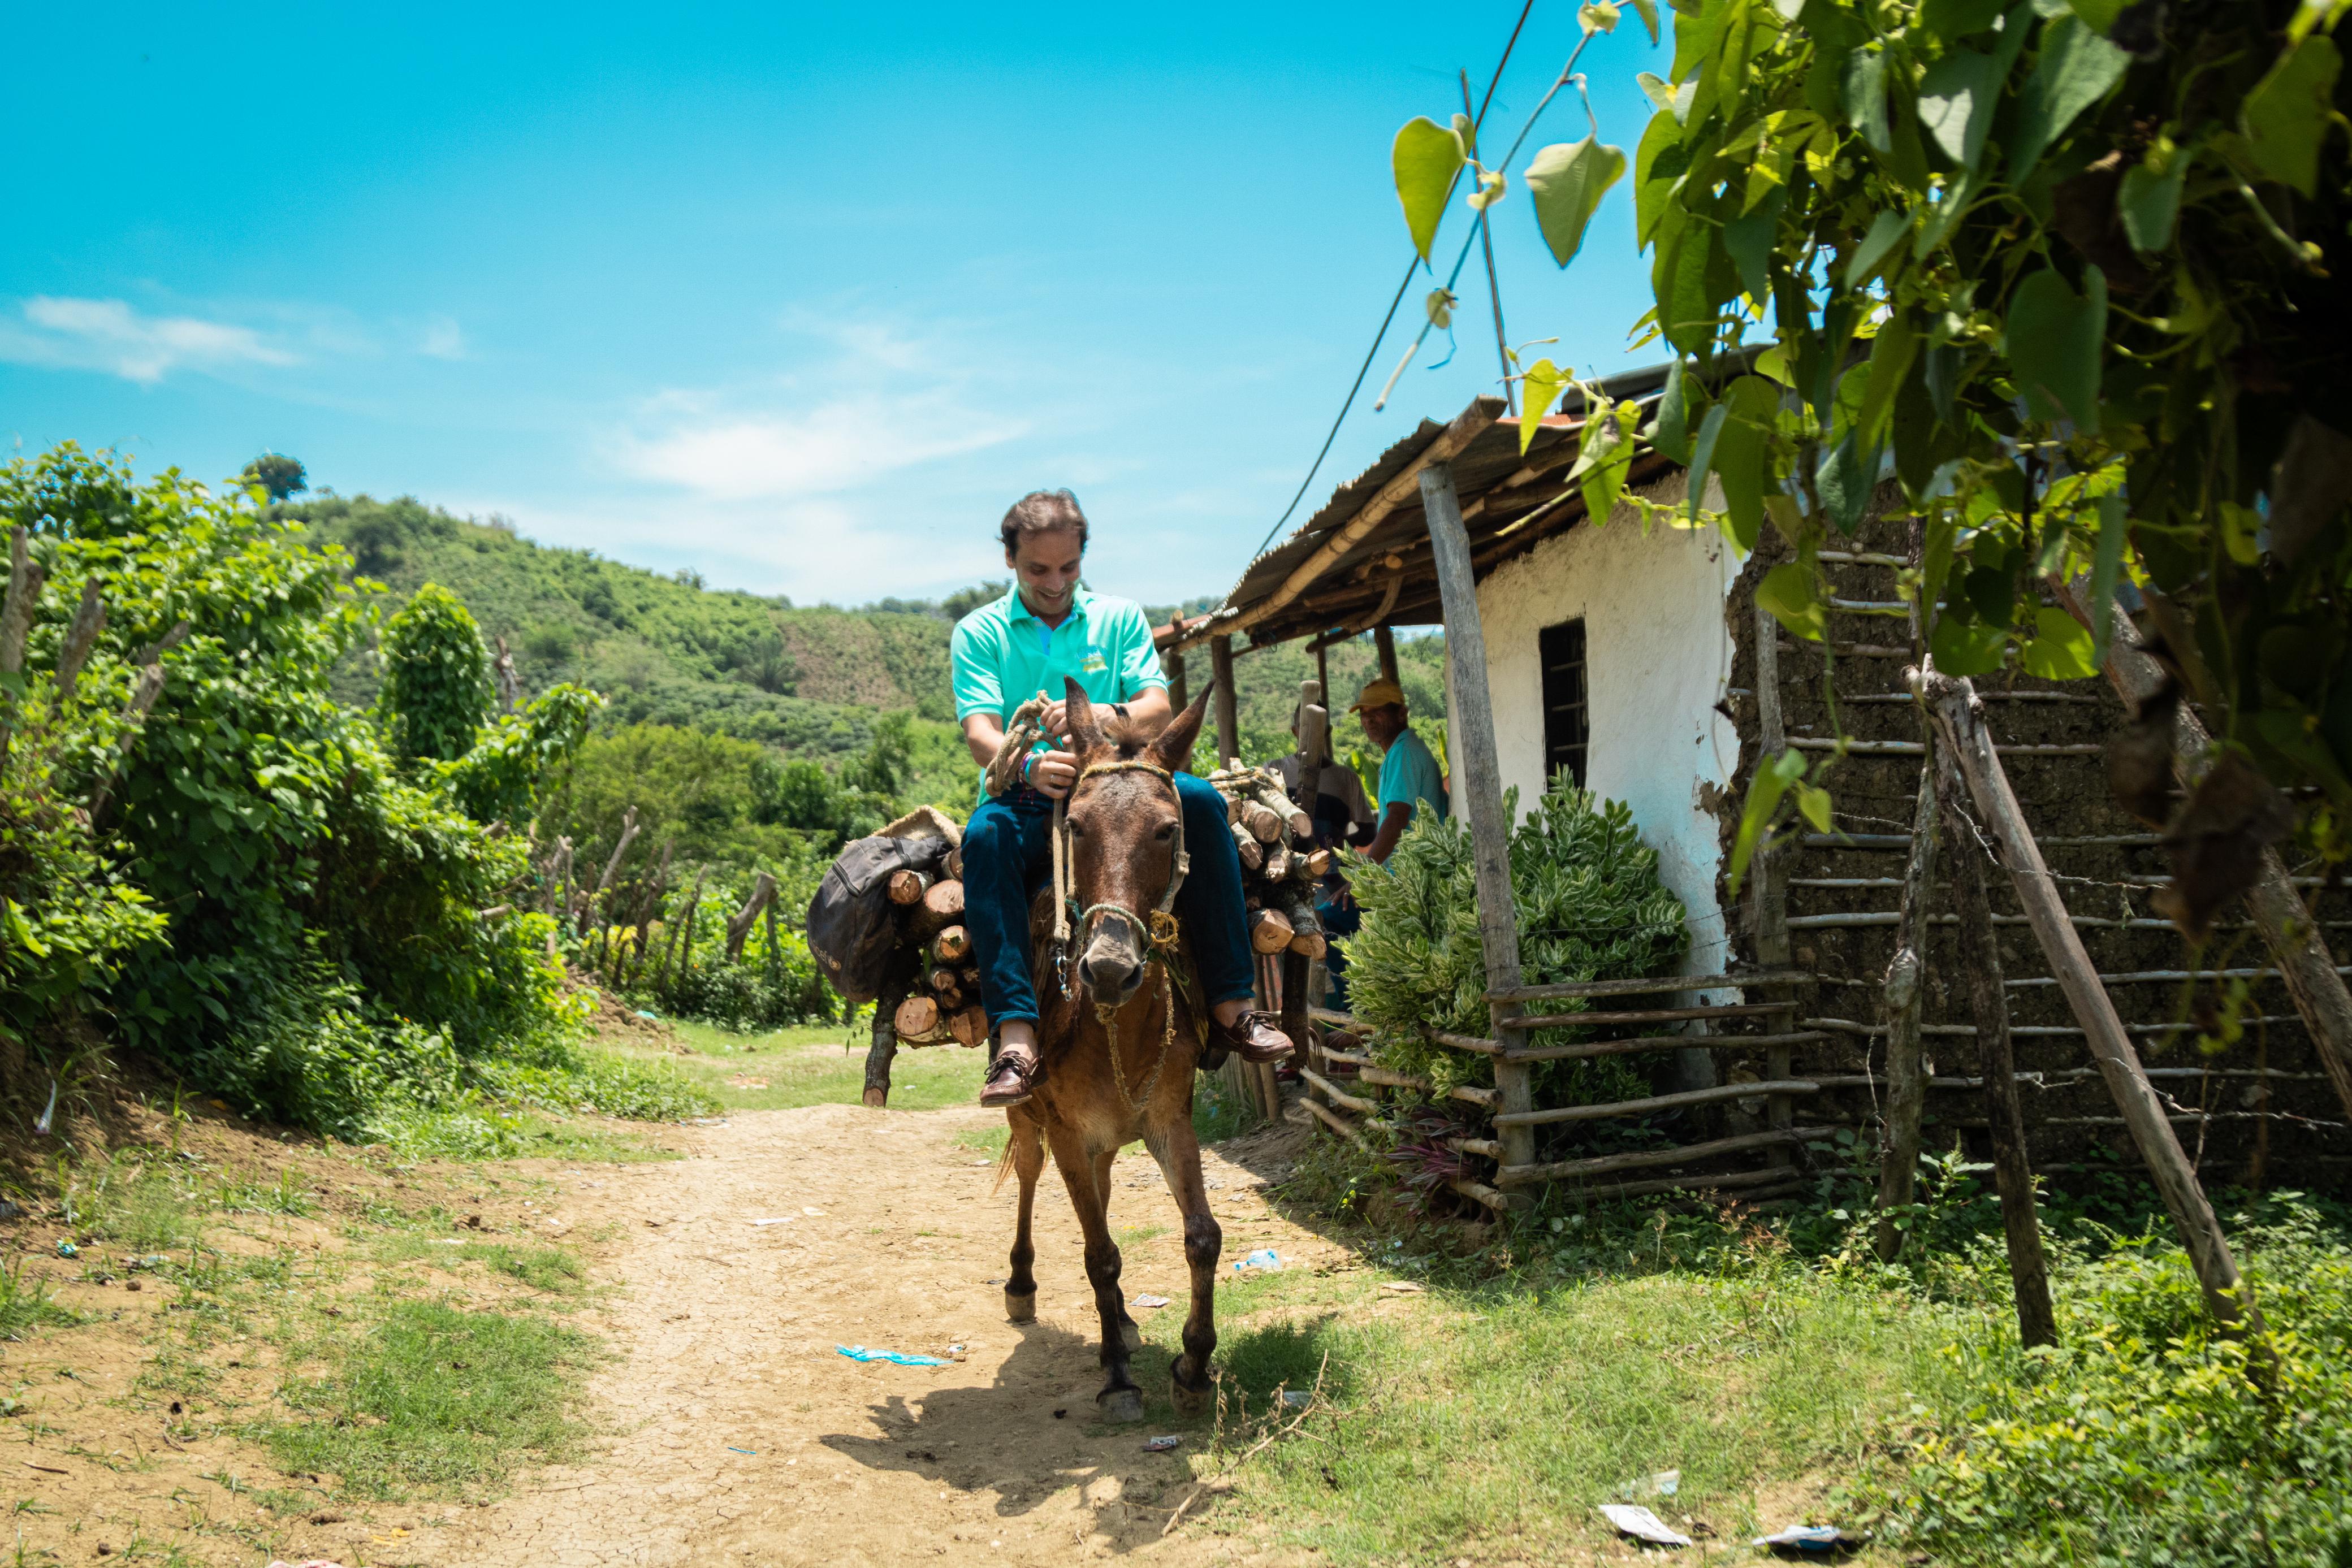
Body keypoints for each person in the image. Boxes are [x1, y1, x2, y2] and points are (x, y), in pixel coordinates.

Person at [950, 489, 1293, 1108]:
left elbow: (1156, 705)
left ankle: (1232, 1004)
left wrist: (1105, 717)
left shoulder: (1119, 618)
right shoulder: (979, 631)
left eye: (1068, 568)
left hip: (1121, 797)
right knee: (984, 837)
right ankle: (1018, 1037)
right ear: (1009, 559)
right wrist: (1028, 763)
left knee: (1202, 805)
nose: (1054, 583)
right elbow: (981, 733)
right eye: (1037, 570)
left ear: (1082, 557)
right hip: (1028, 798)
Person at [1351, 677, 1446, 864]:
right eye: (1363, 713)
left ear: (1401, 713)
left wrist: (1368, 872)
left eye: (1377, 711)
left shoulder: (1404, 752)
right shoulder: (1406, 748)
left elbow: (1397, 818)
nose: (1368, 719)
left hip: (1414, 874)